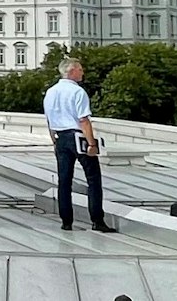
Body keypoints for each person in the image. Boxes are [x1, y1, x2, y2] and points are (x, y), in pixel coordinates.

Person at [42, 57, 115, 232]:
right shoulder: (78, 92)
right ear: (72, 71)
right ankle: (97, 220)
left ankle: (66, 221)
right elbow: (84, 120)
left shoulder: (51, 92)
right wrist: (92, 144)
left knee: (64, 181)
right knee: (93, 179)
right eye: (80, 69)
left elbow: (49, 120)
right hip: (77, 136)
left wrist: (54, 141)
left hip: (60, 137)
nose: (83, 72)